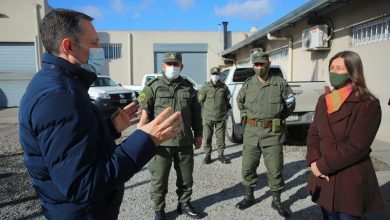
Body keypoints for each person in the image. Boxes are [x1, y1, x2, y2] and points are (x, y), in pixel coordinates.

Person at [18, 9, 182, 220]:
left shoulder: (57, 82)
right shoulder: (60, 95)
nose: (99, 49)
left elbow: (73, 142)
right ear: (68, 46)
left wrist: (109, 127)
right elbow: (82, 183)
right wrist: (145, 140)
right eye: (94, 43)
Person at [306, 51, 384, 219]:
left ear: (352, 72)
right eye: (332, 67)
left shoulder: (367, 104)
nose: (333, 72)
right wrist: (313, 160)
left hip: (349, 180)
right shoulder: (324, 100)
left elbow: (358, 146)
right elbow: (314, 133)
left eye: (339, 68)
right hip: (323, 178)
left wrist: (322, 166)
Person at [138, 52, 204, 220]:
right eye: (169, 64)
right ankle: (159, 210)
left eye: (176, 65)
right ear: (163, 66)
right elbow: (145, 116)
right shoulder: (153, 86)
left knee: (186, 177)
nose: (172, 67)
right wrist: (143, 139)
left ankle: (184, 204)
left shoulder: (188, 87)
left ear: (181, 67)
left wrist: (199, 134)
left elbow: (196, 113)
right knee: (159, 179)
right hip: (160, 143)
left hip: (184, 141)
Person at [235, 51, 295, 217]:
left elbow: (290, 103)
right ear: (253, 66)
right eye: (256, 64)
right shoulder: (248, 84)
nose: (259, 67)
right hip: (252, 133)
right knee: (248, 167)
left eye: (262, 64)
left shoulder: (279, 84)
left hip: (272, 134)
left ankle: (276, 200)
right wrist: (247, 117)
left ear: (268, 64)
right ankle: (249, 196)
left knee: (275, 169)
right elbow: (240, 102)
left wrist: (278, 119)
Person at [198, 67, 231, 164]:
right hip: (208, 117)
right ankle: (207, 155)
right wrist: (207, 109)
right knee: (207, 136)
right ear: (210, 75)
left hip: (220, 117)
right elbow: (200, 100)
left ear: (220, 74)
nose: (215, 76)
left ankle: (221, 155)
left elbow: (227, 99)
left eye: (217, 74)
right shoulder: (205, 87)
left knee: (220, 137)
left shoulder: (224, 87)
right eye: (213, 74)